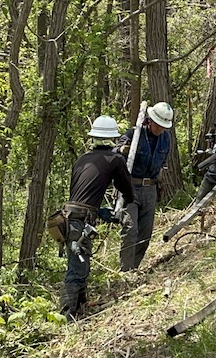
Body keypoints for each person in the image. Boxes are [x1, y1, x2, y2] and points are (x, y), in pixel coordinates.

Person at [60, 115, 135, 322]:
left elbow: (81, 195)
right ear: (112, 139)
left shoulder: (82, 158)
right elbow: (126, 189)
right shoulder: (115, 159)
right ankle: (67, 317)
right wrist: (127, 203)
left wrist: (99, 211)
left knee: (81, 262)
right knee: (77, 267)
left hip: (68, 217)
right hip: (80, 220)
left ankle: (80, 307)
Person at [113, 101, 173, 272]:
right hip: (130, 187)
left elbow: (163, 162)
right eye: (158, 124)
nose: (160, 129)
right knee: (131, 230)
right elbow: (115, 152)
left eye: (164, 126)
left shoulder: (165, 139)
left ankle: (134, 269)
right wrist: (123, 150)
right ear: (150, 120)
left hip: (150, 189)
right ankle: (125, 271)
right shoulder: (134, 133)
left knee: (145, 235)